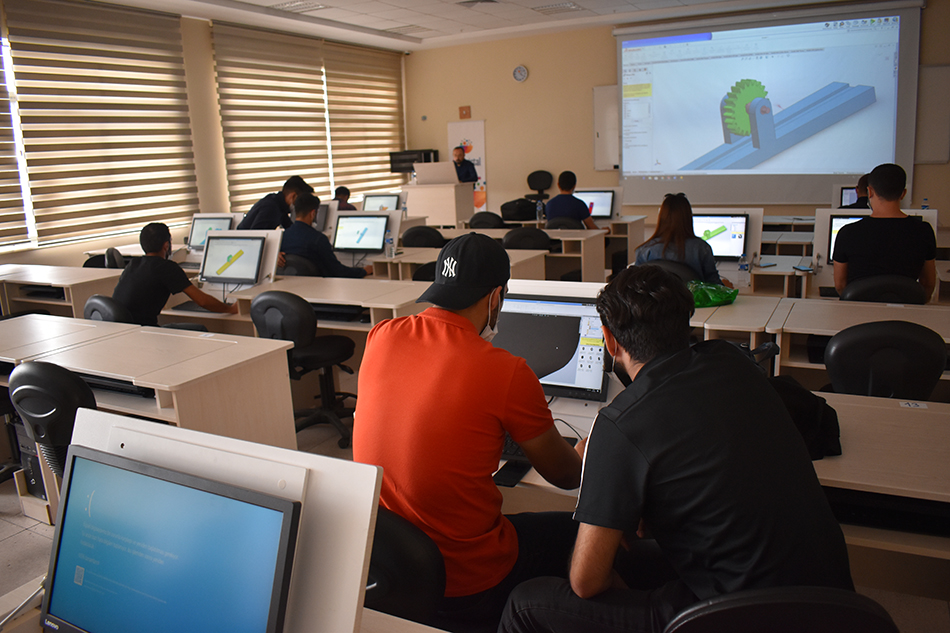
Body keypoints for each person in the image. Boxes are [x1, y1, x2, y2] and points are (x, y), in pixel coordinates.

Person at [499, 265, 854, 633]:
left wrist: (612, 480)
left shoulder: (622, 425)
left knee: (526, 602)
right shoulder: (734, 361)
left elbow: (585, 583)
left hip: (737, 616)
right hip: (834, 606)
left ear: (609, 339)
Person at [352, 233, 583, 629]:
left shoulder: (381, 335)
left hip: (392, 564)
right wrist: (585, 448)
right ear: (495, 298)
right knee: (581, 531)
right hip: (468, 579)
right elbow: (566, 477)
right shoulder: (506, 370)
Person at [833, 163, 936, 299]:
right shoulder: (924, 231)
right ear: (903, 194)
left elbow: (840, 285)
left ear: (870, 192)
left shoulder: (847, 233)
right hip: (907, 309)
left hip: (859, 308)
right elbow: (928, 283)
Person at [112, 222, 238, 326]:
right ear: (166, 245)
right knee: (199, 328)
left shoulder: (133, 264)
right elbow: (202, 301)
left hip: (123, 329)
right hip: (144, 331)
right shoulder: (166, 267)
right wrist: (230, 309)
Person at [634, 192, 731, 286]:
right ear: (688, 218)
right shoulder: (701, 249)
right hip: (690, 297)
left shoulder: (644, 250)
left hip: (655, 298)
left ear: (661, 217)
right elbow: (714, 286)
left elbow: (635, 285)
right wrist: (726, 287)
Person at [280, 192, 372, 278]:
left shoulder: (282, 237)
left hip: (291, 286)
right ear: (313, 214)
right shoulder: (318, 239)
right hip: (319, 286)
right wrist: (363, 271)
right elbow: (338, 271)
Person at [237, 175, 313, 230]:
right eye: (300, 200)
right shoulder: (271, 208)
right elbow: (257, 235)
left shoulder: (279, 204)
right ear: (293, 196)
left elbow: (289, 227)